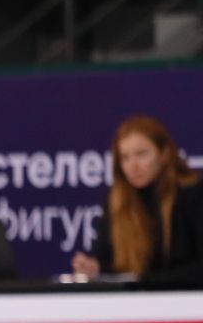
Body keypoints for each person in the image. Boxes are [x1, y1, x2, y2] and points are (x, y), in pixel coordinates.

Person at [72, 116, 203, 290]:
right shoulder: (117, 202)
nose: (133, 165)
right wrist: (95, 268)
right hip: (135, 306)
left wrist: (144, 282)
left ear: (164, 154)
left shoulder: (192, 193)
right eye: (125, 158)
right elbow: (111, 264)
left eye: (142, 154)